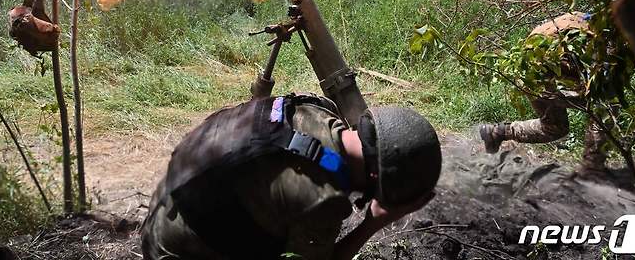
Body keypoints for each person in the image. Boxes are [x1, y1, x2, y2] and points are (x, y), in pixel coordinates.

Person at [141, 93, 441, 260]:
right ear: (377, 177)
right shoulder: (323, 199)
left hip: (169, 199)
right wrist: (374, 223)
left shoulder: (317, 111)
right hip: (172, 249)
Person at [479, 12, 610, 176]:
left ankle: (497, 132)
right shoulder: (611, 40)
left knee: (555, 127)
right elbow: (602, 95)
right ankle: (592, 170)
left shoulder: (598, 16)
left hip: (527, 61)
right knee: (605, 106)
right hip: (543, 66)